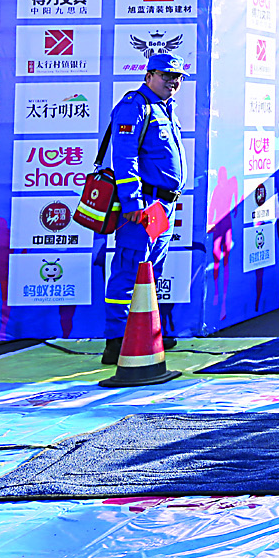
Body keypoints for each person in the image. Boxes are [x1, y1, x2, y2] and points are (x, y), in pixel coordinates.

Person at [101, 53, 188, 365]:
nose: (172, 81)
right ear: (149, 76)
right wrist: (133, 203)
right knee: (129, 270)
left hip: (163, 205)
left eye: (177, 77)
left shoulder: (164, 107)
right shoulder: (134, 106)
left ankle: (146, 335)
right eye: (166, 75)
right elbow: (124, 158)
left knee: (151, 272)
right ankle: (116, 342)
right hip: (144, 205)